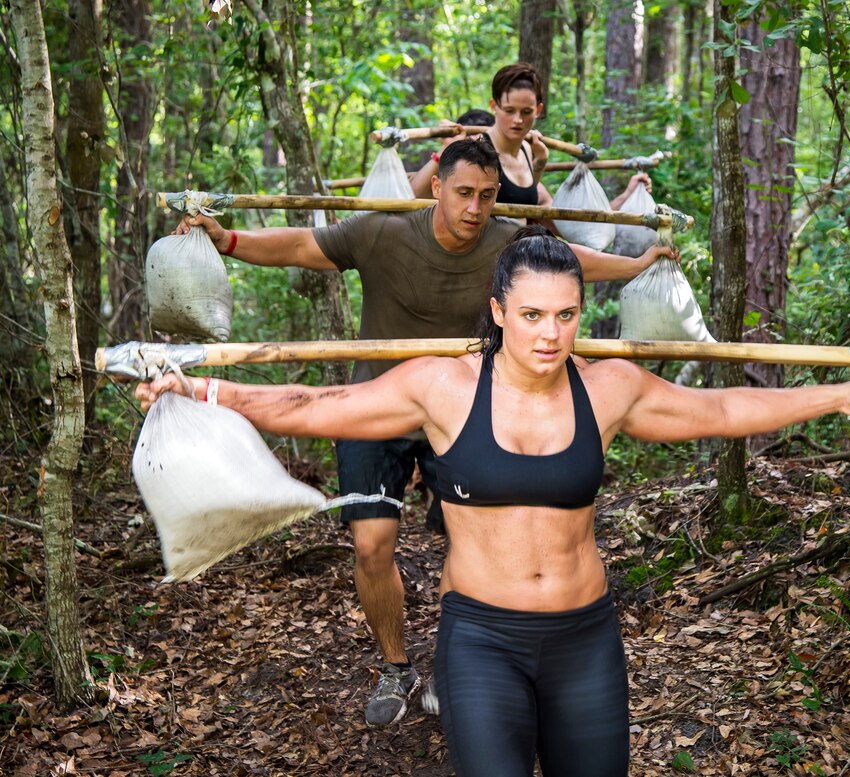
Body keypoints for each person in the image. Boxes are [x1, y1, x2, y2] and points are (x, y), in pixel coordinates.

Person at [138, 227, 850, 776]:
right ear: (499, 310)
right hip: (482, 641)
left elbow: (725, 411)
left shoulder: (609, 389)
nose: (551, 332)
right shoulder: (440, 387)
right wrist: (201, 388)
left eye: (566, 315)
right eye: (532, 315)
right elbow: (315, 403)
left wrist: (841, 394)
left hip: (585, 639)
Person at [174, 137, 678, 728]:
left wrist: (639, 265)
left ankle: (455, 662)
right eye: (464, 193)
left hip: (465, 412)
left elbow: (566, 264)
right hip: (379, 406)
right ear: (436, 186)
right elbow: (301, 246)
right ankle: (395, 666)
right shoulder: (384, 232)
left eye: (488, 196)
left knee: (469, 544)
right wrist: (227, 240)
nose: (476, 207)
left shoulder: (505, 242)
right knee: (371, 544)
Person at [409, 63, 650, 211]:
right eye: (509, 110)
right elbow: (414, 197)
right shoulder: (477, 148)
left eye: (526, 112)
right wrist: (445, 152)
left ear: (538, 110)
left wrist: (628, 196)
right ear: (494, 106)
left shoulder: (528, 151)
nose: (517, 120)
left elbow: (561, 219)